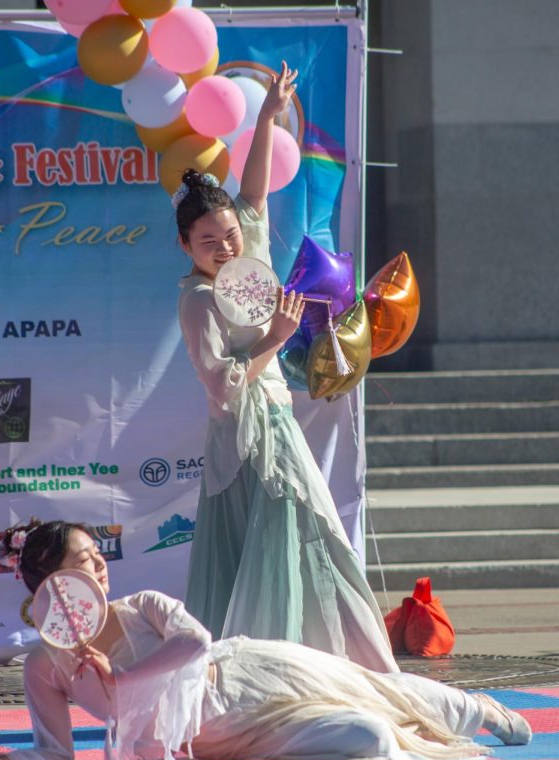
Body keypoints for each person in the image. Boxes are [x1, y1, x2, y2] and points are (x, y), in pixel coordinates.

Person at [0, 521, 531, 760]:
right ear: (50, 582)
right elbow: (59, 756)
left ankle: (476, 708)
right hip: (220, 742)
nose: (99, 567)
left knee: (381, 690)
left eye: (99, 557)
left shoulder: (142, 605)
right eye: (84, 561)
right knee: (373, 737)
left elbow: (194, 643)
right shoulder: (44, 665)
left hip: (251, 679)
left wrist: (120, 679)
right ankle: (440, 721)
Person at [175, 62, 396, 674]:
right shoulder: (197, 300)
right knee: (271, 545)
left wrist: (269, 116)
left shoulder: (245, 250)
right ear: (185, 247)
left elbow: (252, 195)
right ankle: (259, 671)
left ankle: (330, 663)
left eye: (228, 238)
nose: (224, 248)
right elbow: (223, 388)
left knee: (310, 538)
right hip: (245, 436)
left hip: (276, 419)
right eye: (207, 242)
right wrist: (275, 338)